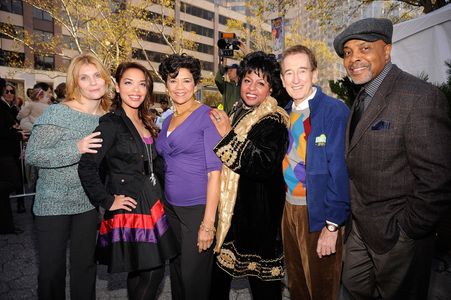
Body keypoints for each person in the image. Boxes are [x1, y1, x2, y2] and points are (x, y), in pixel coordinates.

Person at [333, 18, 451, 300]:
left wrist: (407, 231)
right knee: (353, 284)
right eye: (348, 52)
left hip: (398, 235)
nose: (354, 59)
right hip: (361, 228)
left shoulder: (419, 97)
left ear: (386, 51)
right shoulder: (362, 97)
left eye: (364, 48)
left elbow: (437, 178)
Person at [78, 62, 177, 299]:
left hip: (153, 201)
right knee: (152, 271)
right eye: (128, 83)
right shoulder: (111, 124)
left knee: (142, 270)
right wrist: (107, 200)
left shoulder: (146, 120)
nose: (136, 90)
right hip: (132, 206)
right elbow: (87, 167)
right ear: (117, 87)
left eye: (142, 84)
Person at [25, 53, 113, 300]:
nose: (93, 82)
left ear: (106, 79)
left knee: (85, 268)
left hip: (86, 203)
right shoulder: (58, 113)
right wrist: (76, 148)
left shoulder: (106, 116)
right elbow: (33, 155)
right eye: (84, 78)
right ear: (75, 82)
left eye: (97, 75)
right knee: (52, 272)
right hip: (52, 203)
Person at [209, 51, 289, 300]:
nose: (252, 88)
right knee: (217, 283)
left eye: (261, 83)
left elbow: (262, 164)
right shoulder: (236, 111)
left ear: (271, 89)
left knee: (264, 288)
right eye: (247, 80)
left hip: (259, 220)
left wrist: (227, 134)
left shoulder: (274, 120)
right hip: (232, 216)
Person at [279, 45, 350, 300]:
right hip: (289, 211)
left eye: (302, 71)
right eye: (289, 72)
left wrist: (332, 227)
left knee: (322, 290)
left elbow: (340, 172)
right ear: (282, 78)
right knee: (297, 287)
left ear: (315, 74)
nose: (296, 79)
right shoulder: (282, 114)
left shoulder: (334, 111)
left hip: (319, 212)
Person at [156, 53, 222, 300]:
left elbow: (215, 173)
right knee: (178, 277)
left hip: (198, 209)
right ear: (166, 85)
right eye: (173, 80)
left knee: (195, 281)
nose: (180, 87)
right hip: (171, 208)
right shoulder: (168, 119)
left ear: (195, 84)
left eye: (186, 81)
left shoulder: (207, 117)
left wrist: (208, 223)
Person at [0, 78, 25, 234]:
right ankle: (6, 226)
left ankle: (7, 224)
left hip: (11, 152)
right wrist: (17, 134)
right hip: (4, 154)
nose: (8, 93)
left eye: (11, 91)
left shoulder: (12, 107)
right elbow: (4, 131)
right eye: (6, 90)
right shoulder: (1, 107)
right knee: (11, 183)